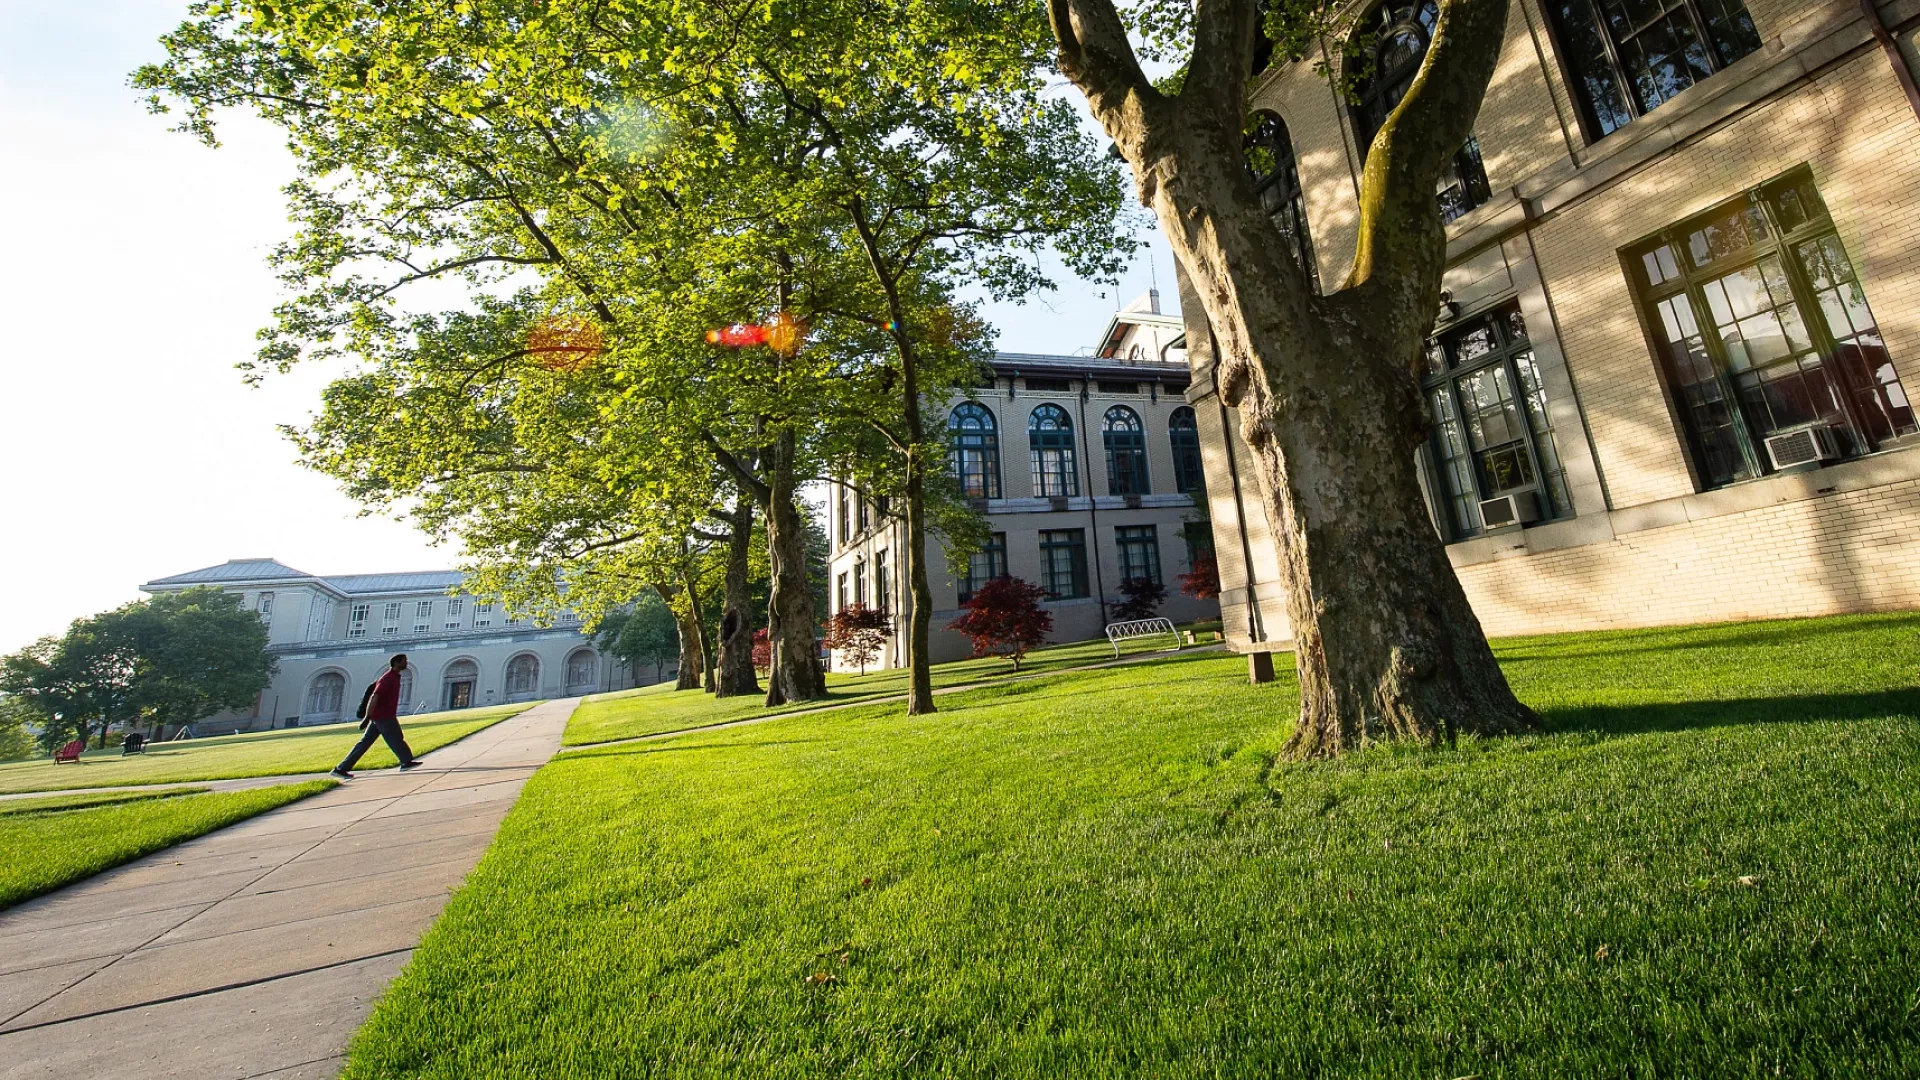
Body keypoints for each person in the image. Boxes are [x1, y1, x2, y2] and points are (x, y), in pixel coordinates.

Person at [330, 654, 425, 779]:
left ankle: (341, 768)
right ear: (396, 663)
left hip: (381, 716)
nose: (406, 663)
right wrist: (367, 717)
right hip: (383, 716)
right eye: (404, 661)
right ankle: (406, 761)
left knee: (365, 743)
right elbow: (375, 696)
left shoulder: (394, 677)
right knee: (396, 737)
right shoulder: (387, 678)